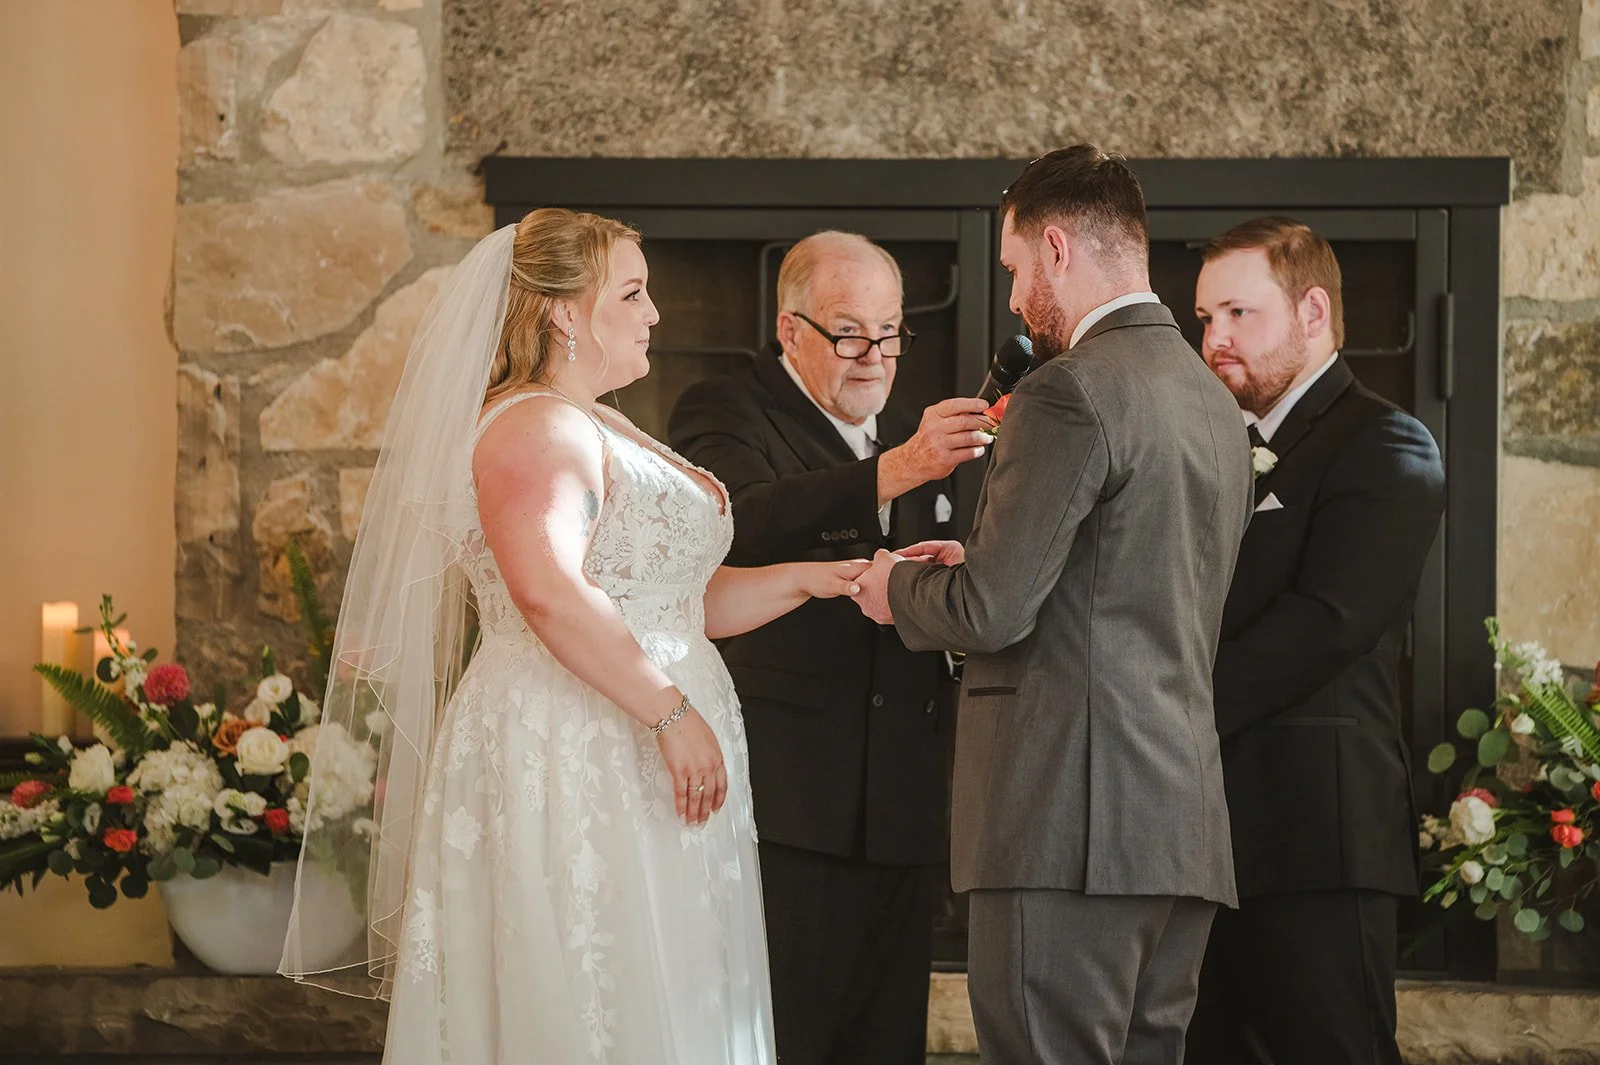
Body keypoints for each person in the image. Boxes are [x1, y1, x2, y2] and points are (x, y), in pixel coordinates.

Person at [280, 208, 868, 1065]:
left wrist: (819, 579)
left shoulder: (597, 420)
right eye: (632, 291)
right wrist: (670, 713)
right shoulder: (533, 426)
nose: (654, 312)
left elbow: (672, 604)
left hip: (635, 731)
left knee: (662, 977)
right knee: (595, 982)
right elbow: (549, 591)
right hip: (576, 741)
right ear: (563, 313)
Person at [851, 145, 1252, 1065]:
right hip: (1177, 825)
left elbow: (992, 611)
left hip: (1066, 827)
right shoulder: (1210, 399)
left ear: (1059, 248)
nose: (1015, 295)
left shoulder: (1067, 389)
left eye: (1016, 266)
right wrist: (978, 562)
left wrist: (894, 587)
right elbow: (1129, 581)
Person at [668, 231, 990, 1065]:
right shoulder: (725, 408)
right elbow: (738, 518)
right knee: (786, 1038)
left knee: (886, 1044)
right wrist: (898, 470)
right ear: (790, 330)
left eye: (890, 333)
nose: (874, 357)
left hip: (904, 803)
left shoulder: (911, 434)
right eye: (849, 333)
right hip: (792, 801)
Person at [1184, 218, 1445, 1065]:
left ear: (1314, 311)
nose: (1214, 339)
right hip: (1199, 835)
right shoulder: (1213, 451)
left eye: (1238, 313)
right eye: (1204, 319)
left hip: (1317, 840)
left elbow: (1327, 622)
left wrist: (1159, 709)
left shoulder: (1387, 442)